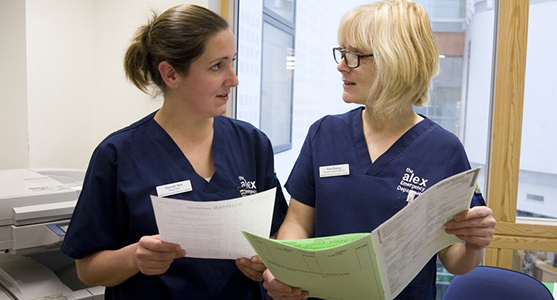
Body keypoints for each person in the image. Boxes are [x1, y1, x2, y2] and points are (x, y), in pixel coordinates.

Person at [237, 1, 496, 299]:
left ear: (396, 60)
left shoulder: (445, 151)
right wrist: (284, 270)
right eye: (342, 52)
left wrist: (475, 244)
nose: (341, 65)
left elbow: (455, 260)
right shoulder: (324, 134)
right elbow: (297, 221)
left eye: (355, 55)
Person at [60, 4, 288, 300]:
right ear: (170, 75)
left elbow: (277, 236)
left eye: (232, 62)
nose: (234, 79)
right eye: (217, 66)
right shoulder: (118, 154)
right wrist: (134, 257)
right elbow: (87, 269)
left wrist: (264, 262)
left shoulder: (252, 143)